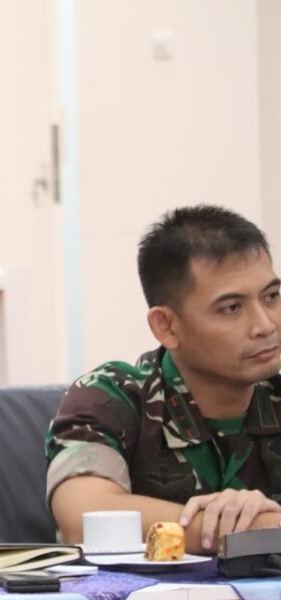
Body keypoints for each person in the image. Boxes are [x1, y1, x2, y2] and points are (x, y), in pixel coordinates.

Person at [47, 205, 281, 554]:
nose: (265, 324)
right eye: (232, 308)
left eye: (272, 297)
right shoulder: (112, 397)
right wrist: (242, 529)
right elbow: (84, 517)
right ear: (166, 326)